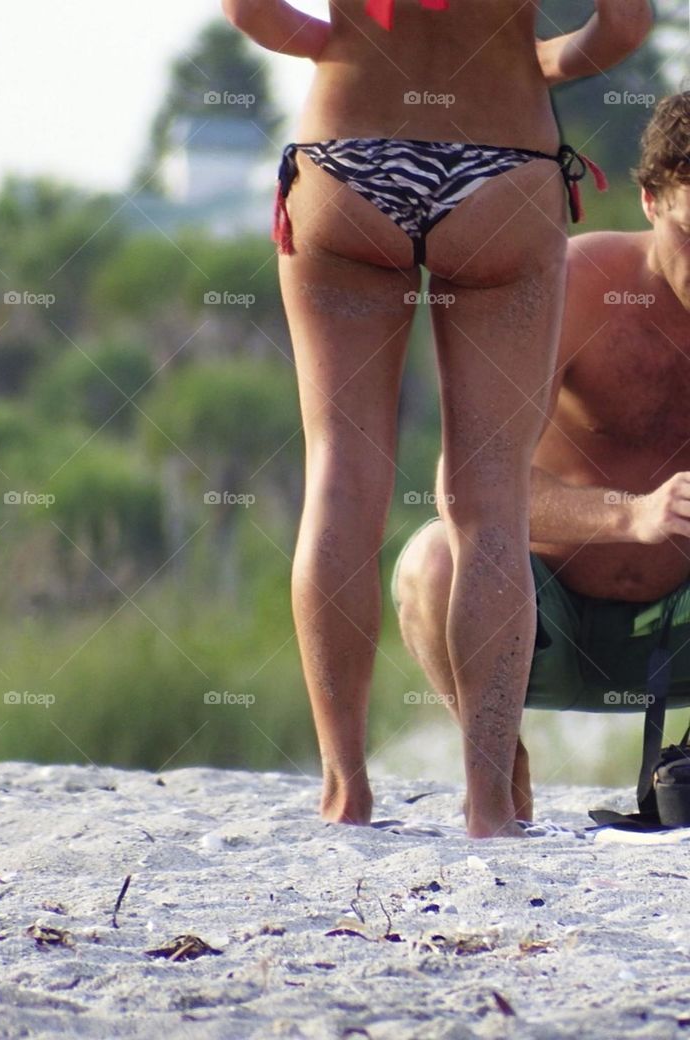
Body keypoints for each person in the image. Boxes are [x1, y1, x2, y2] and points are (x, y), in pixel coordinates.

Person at [222, 0, 653, 837]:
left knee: (341, 476)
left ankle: (347, 787)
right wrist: (541, 59)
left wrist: (326, 43)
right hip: (504, 163)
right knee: (489, 502)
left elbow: (248, 9)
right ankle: (488, 800)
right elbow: (627, 25)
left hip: (347, 155)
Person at [394, 91, 690, 825]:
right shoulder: (576, 286)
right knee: (434, 560)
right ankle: (498, 762)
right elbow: (465, 481)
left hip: (675, 634)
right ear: (651, 201)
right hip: (539, 624)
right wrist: (633, 515)